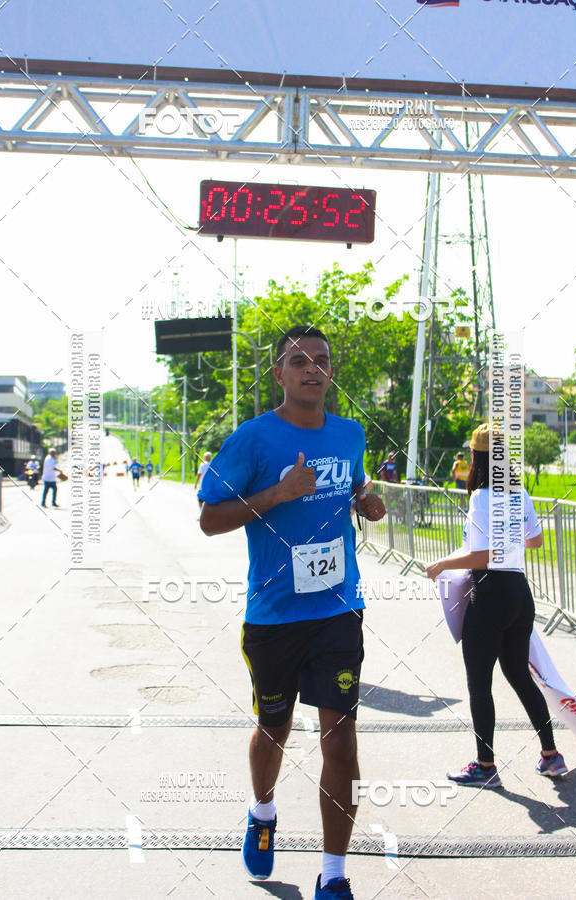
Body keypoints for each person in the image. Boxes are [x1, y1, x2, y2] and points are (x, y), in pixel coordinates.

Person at [199, 326, 386, 900]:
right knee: (273, 729)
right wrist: (277, 495)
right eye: (298, 361)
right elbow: (210, 518)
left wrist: (365, 500)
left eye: (322, 361)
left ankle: (334, 874)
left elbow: (353, 487)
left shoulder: (350, 434)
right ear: (279, 373)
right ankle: (262, 812)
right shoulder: (254, 440)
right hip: (275, 615)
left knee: (341, 740)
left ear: (331, 373)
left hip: (337, 609)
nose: (312, 369)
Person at [425, 423, 567, 788]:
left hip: (489, 595)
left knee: (479, 684)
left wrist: (442, 564)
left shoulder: (481, 497)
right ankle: (551, 755)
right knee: (519, 675)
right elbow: (535, 541)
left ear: (475, 457)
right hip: (520, 594)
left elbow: (485, 555)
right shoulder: (520, 493)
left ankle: (485, 765)